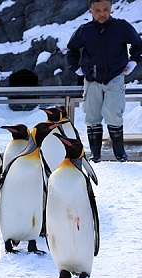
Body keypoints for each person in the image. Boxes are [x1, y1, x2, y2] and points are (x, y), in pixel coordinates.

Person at [67, 0, 142, 162]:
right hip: (92, 77)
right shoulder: (84, 31)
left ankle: (118, 149)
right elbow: (71, 49)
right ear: (91, 11)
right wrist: (76, 68)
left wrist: (133, 62)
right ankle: (95, 152)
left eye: (105, 9)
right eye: (98, 10)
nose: (102, 14)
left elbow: (138, 45)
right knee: (92, 115)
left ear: (110, 9)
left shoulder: (121, 27)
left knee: (113, 111)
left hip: (115, 76)